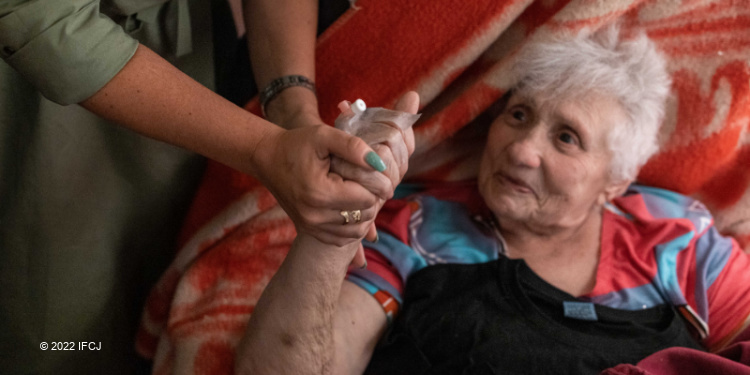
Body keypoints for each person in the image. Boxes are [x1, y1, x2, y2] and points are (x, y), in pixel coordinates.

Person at [234, 25, 750, 374]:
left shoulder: (683, 243)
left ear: (615, 182)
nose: (521, 150)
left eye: (566, 137)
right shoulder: (418, 231)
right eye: (519, 114)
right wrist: (336, 221)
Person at [0, 0, 392, 373]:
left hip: (189, 78)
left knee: (139, 286)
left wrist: (296, 114)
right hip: (43, 79)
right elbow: (40, 16)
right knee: (51, 324)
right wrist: (265, 149)